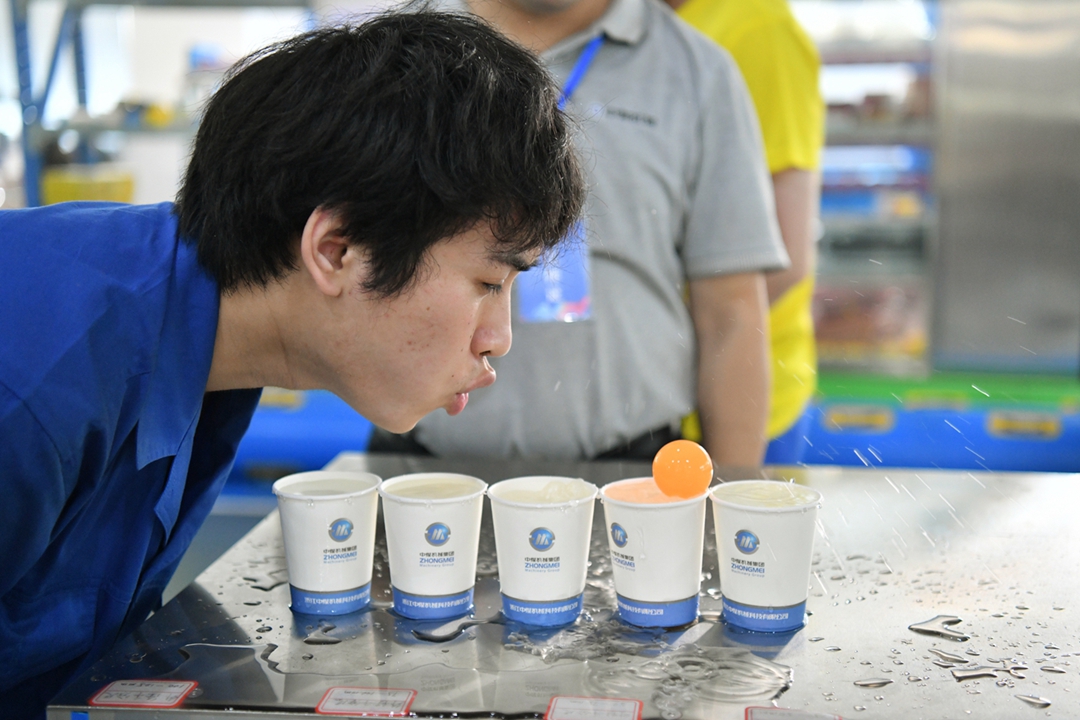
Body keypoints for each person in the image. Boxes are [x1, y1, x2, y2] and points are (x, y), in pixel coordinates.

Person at [0, 11, 585, 717]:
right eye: (489, 282)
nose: (499, 337)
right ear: (336, 251)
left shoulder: (209, 346)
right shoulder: (32, 389)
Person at [375, 0, 789, 464]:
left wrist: (730, 491)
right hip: (418, 465)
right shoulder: (396, 52)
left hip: (633, 470)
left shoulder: (697, 72)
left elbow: (731, 313)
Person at [672, 0, 824, 465]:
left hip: (743, 404)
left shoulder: (761, 29)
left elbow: (787, 255)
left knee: (737, 508)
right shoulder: (634, 19)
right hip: (666, 396)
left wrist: (650, 340)